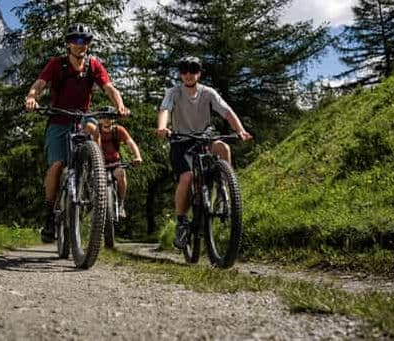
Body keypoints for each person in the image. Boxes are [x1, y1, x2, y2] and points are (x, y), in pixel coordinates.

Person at [24, 22, 130, 243]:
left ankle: (95, 171)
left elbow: (109, 87)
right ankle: (49, 215)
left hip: (82, 117)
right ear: (69, 44)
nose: (81, 45)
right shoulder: (57, 64)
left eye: (85, 41)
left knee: (93, 128)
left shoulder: (93, 65)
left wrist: (119, 105)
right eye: (76, 40)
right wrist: (32, 97)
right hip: (59, 119)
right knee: (57, 165)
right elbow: (40, 83)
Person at [155, 56, 253, 250]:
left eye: (193, 70)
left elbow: (226, 111)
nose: (189, 75)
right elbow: (164, 110)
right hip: (181, 142)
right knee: (187, 177)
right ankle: (181, 222)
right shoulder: (173, 92)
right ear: (180, 74)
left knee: (224, 148)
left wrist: (240, 130)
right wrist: (162, 127)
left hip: (203, 139)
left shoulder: (208, 93)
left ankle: (223, 190)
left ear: (199, 73)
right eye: (184, 70)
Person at [97, 110, 142, 218]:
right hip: (98, 164)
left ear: (114, 118)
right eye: (104, 117)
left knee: (121, 174)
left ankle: (121, 203)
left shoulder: (118, 130)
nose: (107, 120)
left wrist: (137, 156)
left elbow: (130, 143)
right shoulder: (95, 130)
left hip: (114, 163)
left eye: (110, 117)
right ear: (100, 119)